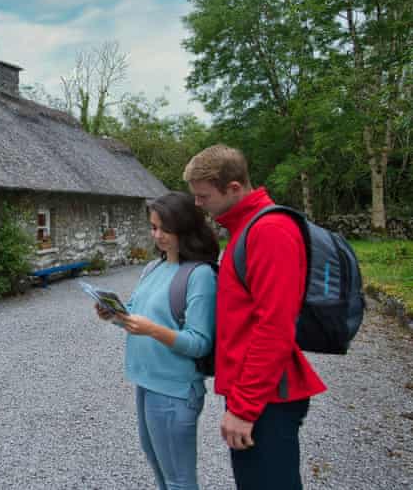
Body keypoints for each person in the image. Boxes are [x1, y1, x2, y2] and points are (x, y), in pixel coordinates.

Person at [183, 144, 326, 490]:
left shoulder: (269, 231)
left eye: (203, 197)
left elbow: (274, 328)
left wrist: (245, 409)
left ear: (234, 188)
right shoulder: (245, 228)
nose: (198, 205)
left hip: (268, 399)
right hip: (261, 395)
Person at [96, 192, 218, 490]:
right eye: (153, 228)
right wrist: (112, 315)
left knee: (179, 481)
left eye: (165, 229)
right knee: (161, 472)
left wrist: (152, 330)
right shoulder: (153, 268)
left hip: (175, 390)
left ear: (186, 228)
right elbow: (133, 314)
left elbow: (200, 342)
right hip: (147, 383)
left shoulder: (200, 275)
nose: (158, 236)